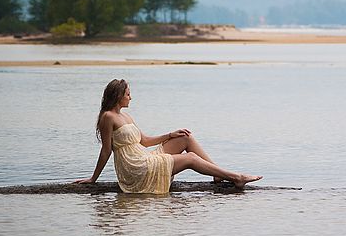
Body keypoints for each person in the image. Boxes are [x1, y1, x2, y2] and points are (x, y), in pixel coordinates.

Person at [74, 78, 263, 193]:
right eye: (128, 94)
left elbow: (145, 141)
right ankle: (236, 177)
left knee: (185, 137)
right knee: (190, 158)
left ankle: (217, 175)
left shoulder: (126, 116)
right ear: (118, 96)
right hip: (136, 168)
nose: (131, 97)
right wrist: (93, 179)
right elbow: (106, 150)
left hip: (144, 157)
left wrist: (170, 134)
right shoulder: (107, 117)